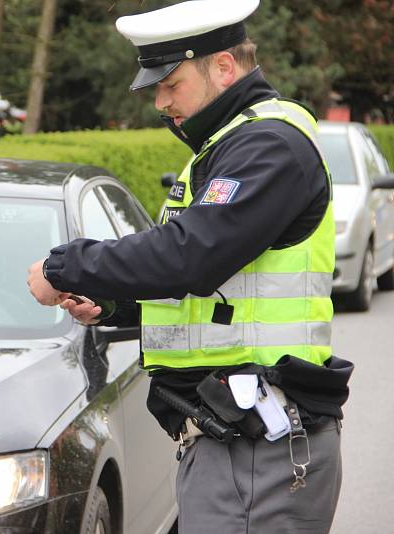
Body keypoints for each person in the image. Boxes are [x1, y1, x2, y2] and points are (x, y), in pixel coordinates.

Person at [27, 1, 353, 532]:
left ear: (223, 67)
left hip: (258, 442)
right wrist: (114, 303)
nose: (160, 102)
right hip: (237, 437)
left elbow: (190, 257)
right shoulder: (228, 146)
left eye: (170, 83)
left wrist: (67, 266)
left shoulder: (268, 145)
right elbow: (216, 286)